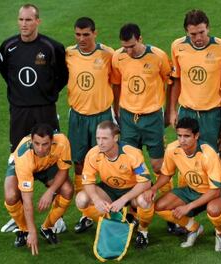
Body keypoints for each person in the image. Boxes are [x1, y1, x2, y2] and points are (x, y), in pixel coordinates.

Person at [0, 3, 68, 233]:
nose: (24, 24)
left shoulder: (52, 47)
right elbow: (5, 73)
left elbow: (63, 76)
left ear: (38, 21)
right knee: (19, 163)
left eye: (29, 20)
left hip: (45, 111)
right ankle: (17, 216)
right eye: (21, 20)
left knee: (52, 157)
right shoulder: (7, 47)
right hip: (19, 113)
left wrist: (47, 94)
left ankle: (56, 218)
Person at [111, 23, 173, 227]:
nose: (127, 51)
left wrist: (168, 111)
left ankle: (169, 208)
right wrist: (117, 111)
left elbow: (170, 81)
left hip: (152, 117)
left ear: (140, 39)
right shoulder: (118, 57)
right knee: (129, 165)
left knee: (158, 165)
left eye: (131, 46)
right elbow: (117, 84)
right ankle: (133, 213)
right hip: (128, 117)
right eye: (124, 47)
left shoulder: (158, 56)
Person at [144, 117, 221, 251]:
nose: (182, 140)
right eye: (179, 135)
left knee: (213, 210)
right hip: (192, 190)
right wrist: (153, 188)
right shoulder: (173, 149)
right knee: (160, 206)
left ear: (196, 136)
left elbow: (216, 191)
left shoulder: (208, 154)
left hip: (215, 192)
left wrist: (189, 206)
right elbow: (166, 174)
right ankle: (193, 228)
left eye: (187, 136)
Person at [65, 17, 118, 233]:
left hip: (102, 116)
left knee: (106, 161)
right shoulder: (69, 53)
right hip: (78, 117)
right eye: (78, 34)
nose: (82, 39)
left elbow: (116, 83)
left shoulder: (108, 54)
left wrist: (117, 110)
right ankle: (86, 214)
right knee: (79, 163)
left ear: (95, 33)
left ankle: (111, 204)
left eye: (86, 34)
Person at [75, 121, 153, 249]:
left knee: (144, 201)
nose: (100, 142)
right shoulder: (93, 154)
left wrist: (123, 199)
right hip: (109, 189)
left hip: (133, 190)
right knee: (81, 199)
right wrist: (97, 199)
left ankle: (143, 230)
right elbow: (88, 181)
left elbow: (145, 182)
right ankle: (112, 219)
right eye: (98, 138)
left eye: (104, 138)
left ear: (115, 138)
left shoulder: (132, 153)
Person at [169, 9, 221, 151]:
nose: (198, 38)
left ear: (208, 28)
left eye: (202, 32)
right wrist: (173, 110)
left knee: (214, 156)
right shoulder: (177, 46)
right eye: (193, 34)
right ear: (186, 31)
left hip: (213, 114)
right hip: (186, 112)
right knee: (187, 154)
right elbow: (176, 80)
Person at [4, 124, 74, 255]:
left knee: (67, 190)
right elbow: (27, 200)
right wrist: (31, 231)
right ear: (31, 140)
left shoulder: (62, 142)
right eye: (36, 143)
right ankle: (24, 230)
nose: (40, 149)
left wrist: (50, 191)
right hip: (22, 166)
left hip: (47, 166)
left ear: (52, 141)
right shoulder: (24, 156)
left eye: (45, 144)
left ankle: (47, 228)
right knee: (11, 196)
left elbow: (64, 171)